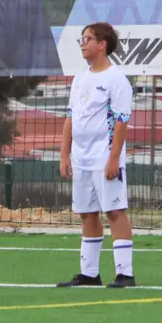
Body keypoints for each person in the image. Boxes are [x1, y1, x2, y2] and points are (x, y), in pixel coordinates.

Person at [56, 22, 135, 288]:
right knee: (87, 213)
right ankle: (89, 273)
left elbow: (121, 121)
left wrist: (113, 158)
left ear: (102, 44)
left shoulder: (117, 79)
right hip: (81, 158)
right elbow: (70, 118)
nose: (82, 43)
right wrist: (64, 155)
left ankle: (125, 273)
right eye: (81, 38)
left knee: (114, 211)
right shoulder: (80, 78)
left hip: (104, 156)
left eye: (87, 38)